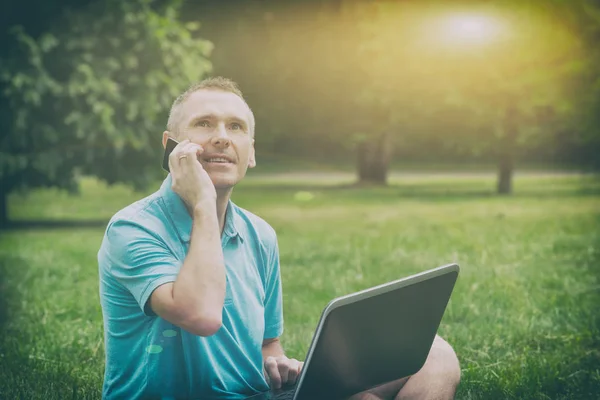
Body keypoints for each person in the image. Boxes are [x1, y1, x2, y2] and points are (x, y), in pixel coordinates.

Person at [98, 77, 461, 400]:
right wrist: (204, 203)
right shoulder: (132, 228)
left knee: (436, 354)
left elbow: (267, 344)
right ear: (170, 145)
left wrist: (278, 364)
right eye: (204, 123)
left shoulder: (259, 234)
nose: (222, 136)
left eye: (236, 126)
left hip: (257, 394)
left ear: (250, 152)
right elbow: (200, 315)